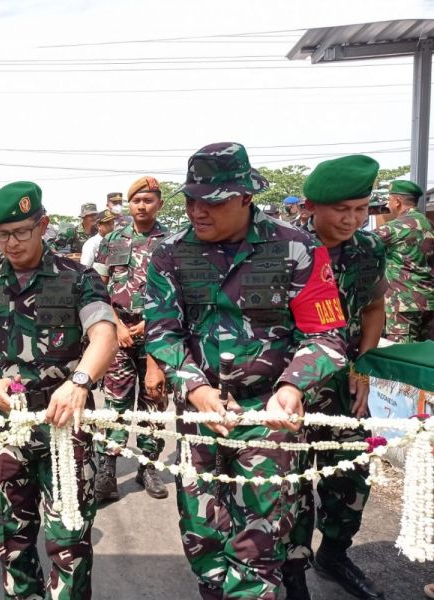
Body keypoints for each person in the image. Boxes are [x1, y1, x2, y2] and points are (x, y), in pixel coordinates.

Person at [144, 142, 348, 600]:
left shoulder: (296, 247)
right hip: (200, 418)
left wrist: (293, 386)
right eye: (191, 199)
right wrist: (195, 388)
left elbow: (327, 334)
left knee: (258, 548)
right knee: (203, 542)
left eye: (211, 201)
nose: (198, 210)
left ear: (244, 197)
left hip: (268, 417)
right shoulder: (170, 253)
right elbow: (162, 333)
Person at [0, 181, 117, 600]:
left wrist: (79, 383)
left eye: (21, 231)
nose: (12, 243)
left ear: (43, 225)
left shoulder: (78, 279)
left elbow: (104, 334)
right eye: (1, 235)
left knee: (70, 539)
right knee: (10, 539)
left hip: (64, 428)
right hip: (5, 428)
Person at [282, 155, 387, 600]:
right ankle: (293, 575)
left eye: (361, 208)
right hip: (294, 386)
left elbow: (373, 309)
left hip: (345, 389)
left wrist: (363, 367)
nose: (352, 219)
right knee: (292, 487)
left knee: (350, 478)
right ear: (311, 206)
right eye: (342, 209)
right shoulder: (284, 248)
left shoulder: (369, 249)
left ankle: (335, 554)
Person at [93, 176, 170, 503]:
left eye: (148, 200)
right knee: (115, 402)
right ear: (129, 204)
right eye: (136, 200)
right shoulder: (112, 240)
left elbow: (174, 292)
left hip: (158, 334)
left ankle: (148, 464)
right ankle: (107, 468)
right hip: (118, 332)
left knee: (154, 399)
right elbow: (97, 286)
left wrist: (150, 323)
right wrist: (117, 326)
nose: (142, 205)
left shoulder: (171, 241)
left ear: (159, 204)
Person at [374, 179, 434, 343]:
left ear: (397, 202)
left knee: (402, 355)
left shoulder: (394, 228)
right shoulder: (429, 224)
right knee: (426, 356)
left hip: (403, 304)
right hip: (429, 302)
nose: (388, 204)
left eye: (389, 199)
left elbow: (362, 245)